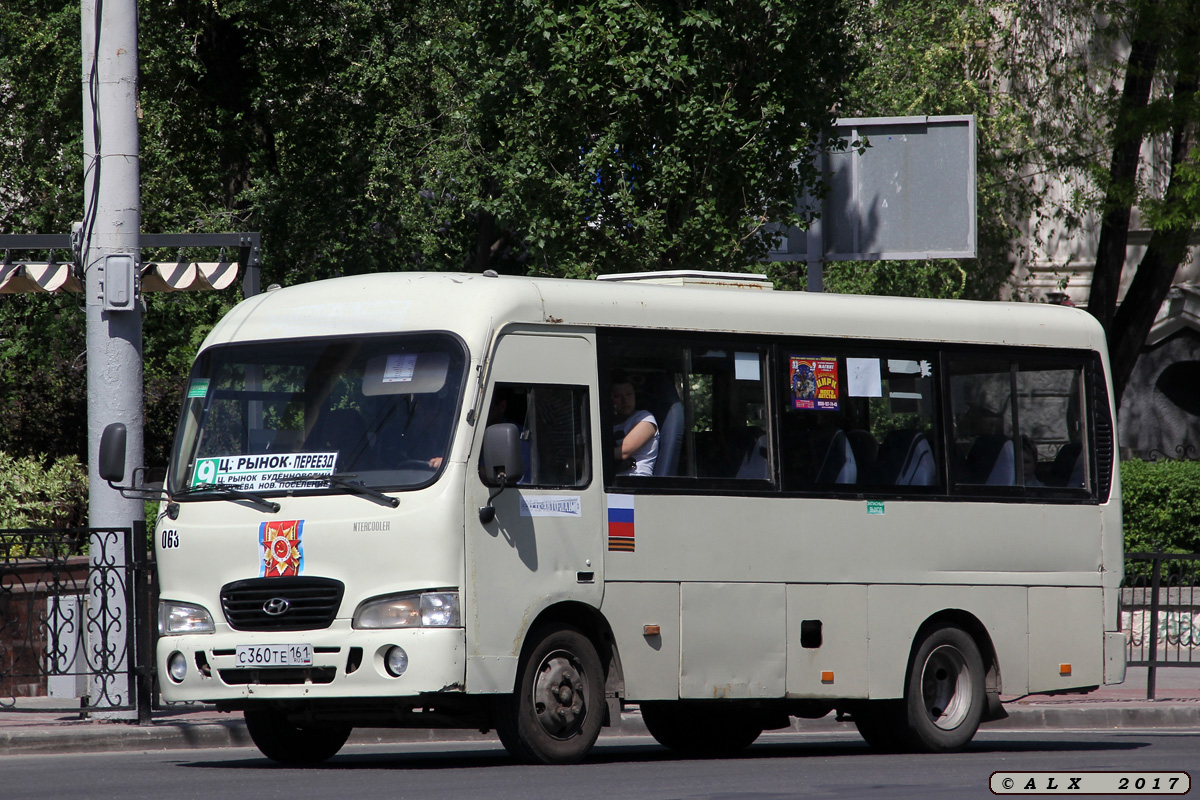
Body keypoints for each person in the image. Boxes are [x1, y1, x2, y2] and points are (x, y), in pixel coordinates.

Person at [611, 373, 658, 476]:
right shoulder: (609, 424)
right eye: (618, 396)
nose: (625, 401)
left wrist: (590, 457)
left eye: (629, 394)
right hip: (611, 480)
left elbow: (624, 452)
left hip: (636, 480)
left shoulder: (645, 419)